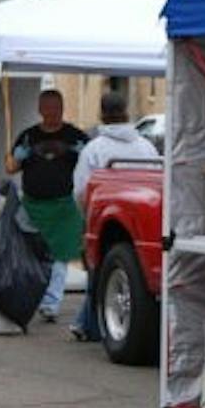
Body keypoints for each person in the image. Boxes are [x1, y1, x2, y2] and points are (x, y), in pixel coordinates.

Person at [67, 90, 160, 342]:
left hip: (104, 220)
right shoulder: (146, 146)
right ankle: (86, 322)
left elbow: (81, 188)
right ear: (127, 112)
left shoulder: (94, 149)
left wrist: (86, 214)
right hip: (143, 222)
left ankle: (89, 324)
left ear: (102, 114)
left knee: (97, 273)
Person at [6, 89, 88, 323]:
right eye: (48, 108)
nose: (52, 112)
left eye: (57, 108)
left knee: (59, 256)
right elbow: (10, 168)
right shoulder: (28, 136)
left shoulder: (76, 137)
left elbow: (93, 165)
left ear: (63, 108)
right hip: (32, 205)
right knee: (30, 253)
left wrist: (82, 153)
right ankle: (30, 298)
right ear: (40, 109)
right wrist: (18, 157)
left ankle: (51, 303)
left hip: (63, 206)